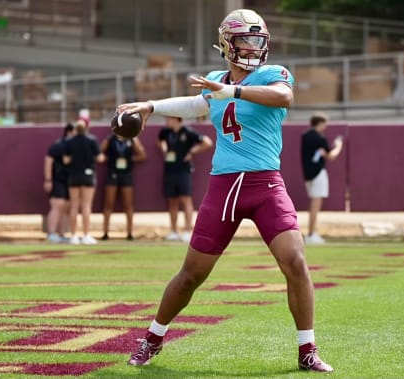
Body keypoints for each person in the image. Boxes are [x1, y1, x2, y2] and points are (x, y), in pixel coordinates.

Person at [117, 9, 333, 373]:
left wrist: (231, 89)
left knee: (296, 262)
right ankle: (152, 339)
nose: (252, 47)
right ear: (227, 45)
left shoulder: (271, 74)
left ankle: (307, 349)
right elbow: (196, 105)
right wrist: (151, 105)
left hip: (266, 184)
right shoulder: (215, 80)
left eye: (257, 40)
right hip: (224, 186)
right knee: (191, 275)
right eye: (245, 40)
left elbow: (283, 97)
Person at [158, 116, 213, 242]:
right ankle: (173, 231)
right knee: (172, 201)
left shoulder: (188, 132)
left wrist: (192, 151)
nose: (167, 121)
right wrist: (164, 148)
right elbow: (160, 140)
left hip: (184, 171)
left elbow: (207, 142)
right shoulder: (165, 132)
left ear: (177, 119)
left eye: (169, 118)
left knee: (186, 200)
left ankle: (188, 230)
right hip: (170, 170)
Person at [301, 112, 343, 244]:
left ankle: (312, 233)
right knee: (316, 204)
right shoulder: (320, 138)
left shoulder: (305, 136)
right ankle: (311, 233)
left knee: (314, 203)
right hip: (318, 173)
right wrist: (339, 145)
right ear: (320, 123)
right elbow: (331, 156)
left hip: (308, 174)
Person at [63, 119, 105, 244]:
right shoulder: (92, 140)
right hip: (88, 175)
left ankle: (74, 236)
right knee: (86, 206)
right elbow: (100, 158)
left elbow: (66, 160)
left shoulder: (69, 142)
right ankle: (86, 235)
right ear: (86, 128)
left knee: (74, 206)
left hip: (74, 176)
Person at [100, 134, 147, 241]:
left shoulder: (132, 139)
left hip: (126, 174)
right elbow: (99, 153)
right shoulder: (109, 139)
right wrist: (108, 159)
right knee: (108, 203)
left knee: (128, 204)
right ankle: (105, 232)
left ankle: (130, 233)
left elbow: (143, 155)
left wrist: (130, 159)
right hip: (112, 173)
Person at [43, 123, 75, 243]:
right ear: (69, 132)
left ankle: (62, 234)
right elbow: (48, 161)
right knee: (57, 205)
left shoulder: (75, 146)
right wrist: (48, 179)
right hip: (57, 180)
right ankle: (51, 233)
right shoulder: (58, 146)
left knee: (66, 207)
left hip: (70, 181)